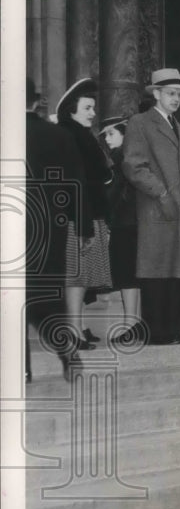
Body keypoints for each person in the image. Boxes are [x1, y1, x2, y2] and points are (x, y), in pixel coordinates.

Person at [122, 68, 180, 345]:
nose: (176, 98)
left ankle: (173, 329)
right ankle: (157, 332)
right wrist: (162, 193)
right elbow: (134, 166)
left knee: (178, 271)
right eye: (171, 93)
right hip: (158, 209)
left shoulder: (179, 127)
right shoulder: (140, 123)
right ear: (156, 94)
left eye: (179, 94)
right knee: (158, 271)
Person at [25, 78, 84, 381]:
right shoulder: (58, 135)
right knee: (47, 297)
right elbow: (75, 184)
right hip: (51, 230)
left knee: (12, 301)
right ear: (36, 102)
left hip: (11, 229)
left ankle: (22, 370)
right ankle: (67, 352)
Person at [57, 78, 114, 350]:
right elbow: (75, 184)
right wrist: (83, 225)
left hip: (86, 214)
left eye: (93, 107)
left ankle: (77, 328)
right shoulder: (71, 136)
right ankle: (72, 332)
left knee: (80, 278)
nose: (93, 113)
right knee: (76, 277)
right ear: (71, 108)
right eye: (88, 107)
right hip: (78, 217)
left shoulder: (78, 135)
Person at [99, 115, 142, 345]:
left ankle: (131, 324)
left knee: (127, 276)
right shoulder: (131, 155)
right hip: (132, 222)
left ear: (124, 134)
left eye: (111, 133)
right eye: (105, 135)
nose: (107, 139)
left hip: (124, 223)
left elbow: (112, 194)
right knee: (130, 276)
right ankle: (132, 323)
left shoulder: (119, 157)